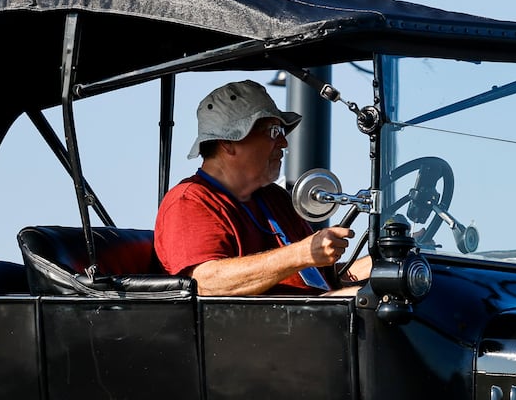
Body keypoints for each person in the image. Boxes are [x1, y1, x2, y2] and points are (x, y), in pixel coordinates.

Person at [154, 79, 366, 296]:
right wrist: (300, 254)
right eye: (273, 131)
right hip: (258, 328)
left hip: (309, 318)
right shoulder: (189, 200)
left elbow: (321, 278)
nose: (284, 143)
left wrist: (382, 266)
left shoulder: (275, 198)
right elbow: (205, 281)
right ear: (228, 141)